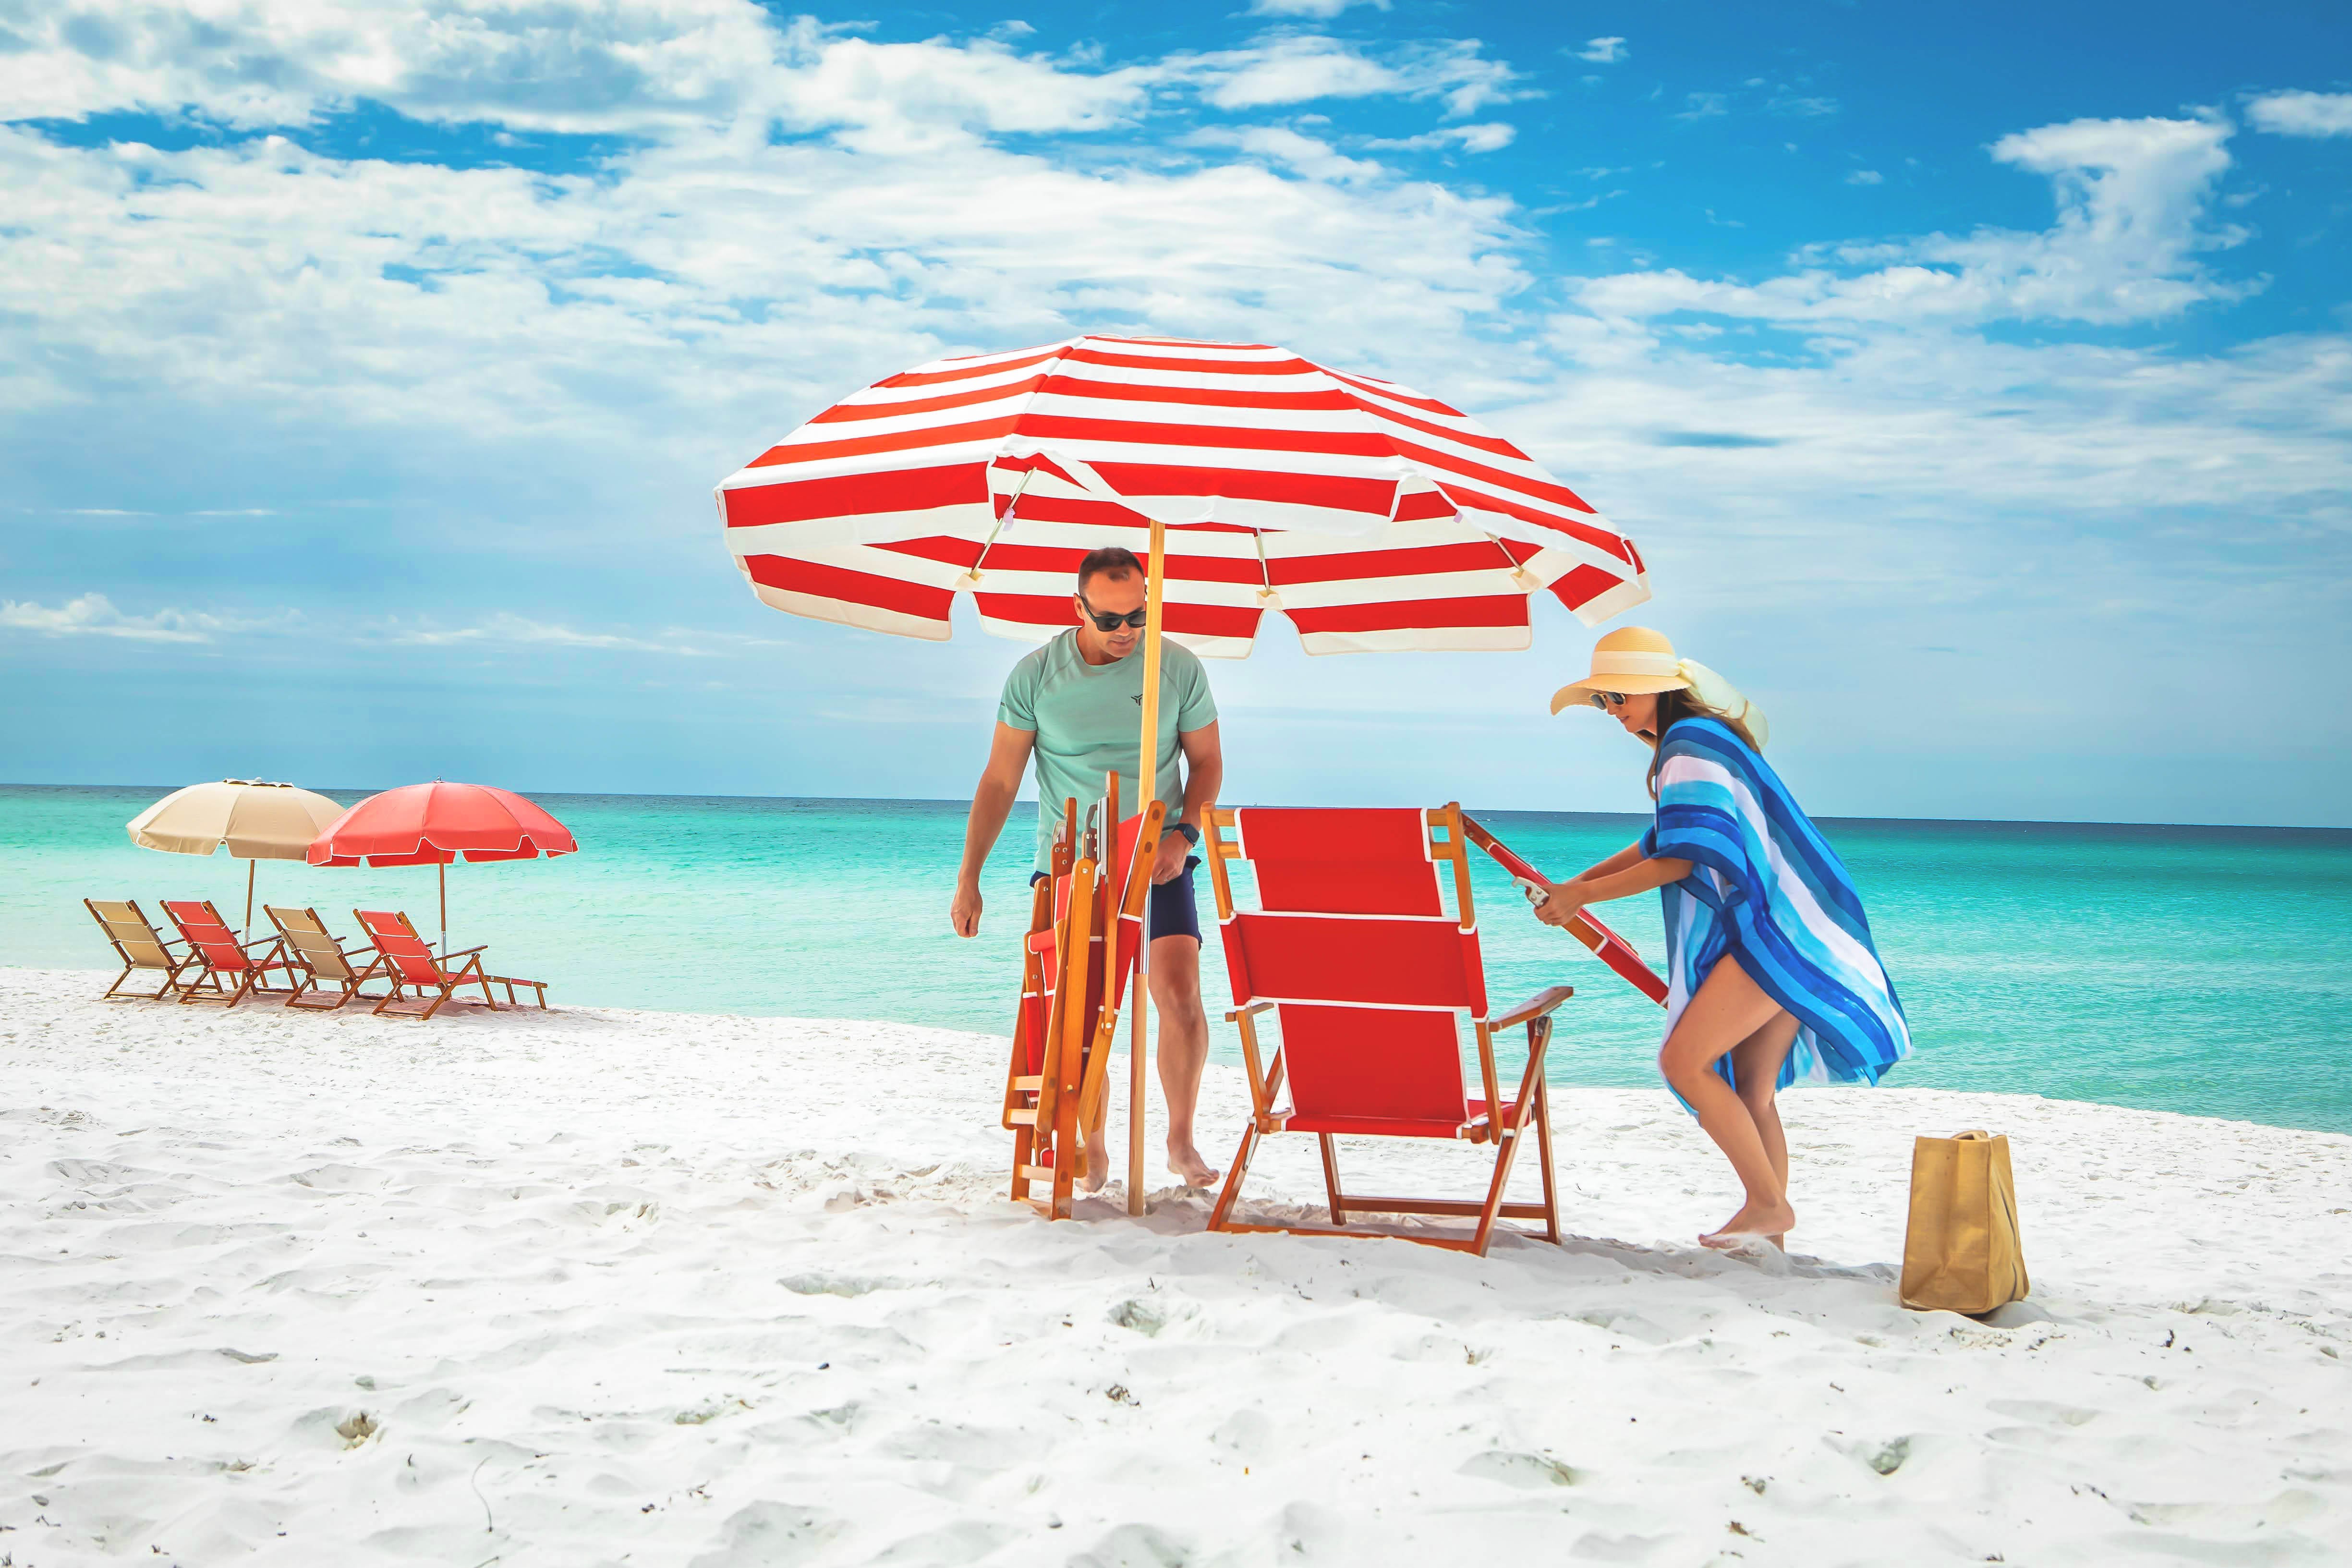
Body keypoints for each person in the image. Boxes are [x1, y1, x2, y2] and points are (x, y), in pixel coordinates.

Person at [1528, 626, 1910, 1250]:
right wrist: (1572, 884)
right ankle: (1768, 1236)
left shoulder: (1686, 743)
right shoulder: (1698, 741)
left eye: (1618, 697)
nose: (1613, 713)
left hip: (1776, 931)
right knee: (1751, 1090)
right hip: (1800, 924)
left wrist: (1581, 897)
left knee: (1684, 1061)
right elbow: (1661, 840)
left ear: (1655, 688)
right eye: (1602, 702)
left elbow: (1685, 858)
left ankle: (1766, 1205)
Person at [950, 545, 1226, 1190]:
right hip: (1074, 860)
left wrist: (1184, 837)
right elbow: (998, 779)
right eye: (1110, 620)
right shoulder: (1035, 677)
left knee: (1179, 996)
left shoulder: (1177, 667)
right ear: (1079, 609)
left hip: (1160, 854)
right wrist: (970, 877)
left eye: (1138, 616)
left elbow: (1207, 763)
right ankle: (1094, 1144)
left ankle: (1180, 1139)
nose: (1126, 631)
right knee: (1084, 1010)